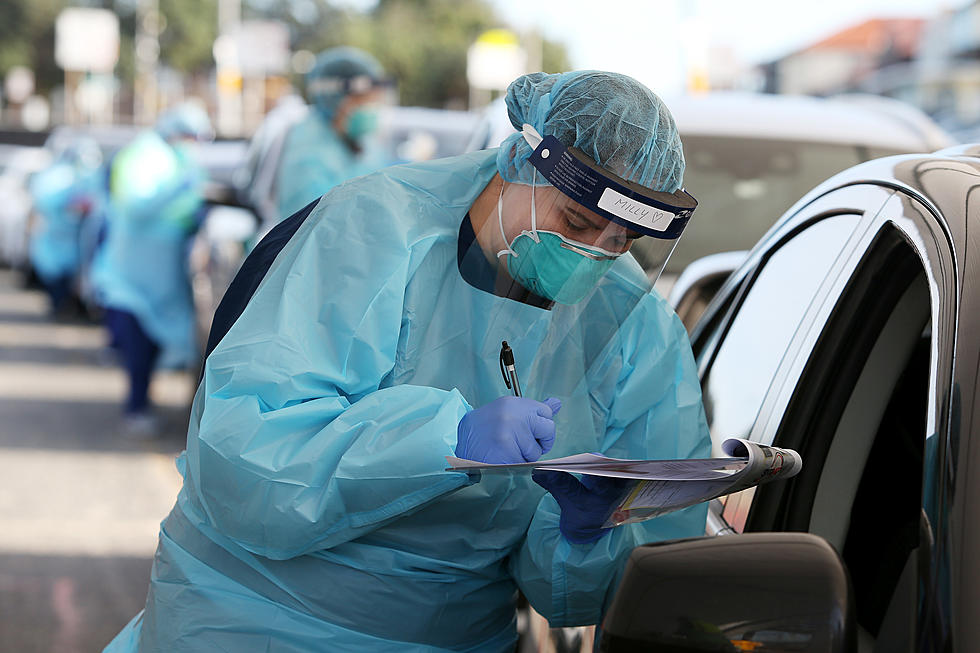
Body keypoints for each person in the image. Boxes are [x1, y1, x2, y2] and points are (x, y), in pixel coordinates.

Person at [105, 70, 711, 651]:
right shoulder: (373, 232)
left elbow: (624, 593)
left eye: (620, 241)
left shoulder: (631, 331)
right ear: (519, 162)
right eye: (576, 221)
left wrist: (585, 536)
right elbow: (246, 462)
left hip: (457, 638)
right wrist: (444, 439)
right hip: (252, 620)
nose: (593, 255)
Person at [92, 102, 212, 437]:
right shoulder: (142, 155)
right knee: (138, 341)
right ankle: (136, 406)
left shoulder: (177, 159)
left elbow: (188, 207)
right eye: (189, 135)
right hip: (132, 270)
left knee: (160, 340)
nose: (193, 143)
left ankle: (143, 403)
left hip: (163, 270)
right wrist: (179, 187)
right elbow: (136, 206)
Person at [275, 46, 393, 218]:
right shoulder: (308, 152)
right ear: (336, 100)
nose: (372, 109)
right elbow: (317, 226)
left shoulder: (358, 142)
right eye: (363, 101)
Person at [27, 137, 103, 317]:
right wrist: (66, 205)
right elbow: (44, 200)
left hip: (80, 237)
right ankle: (59, 305)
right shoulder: (57, 176)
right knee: (54, 272)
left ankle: (73, 306)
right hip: (56, 234)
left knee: (78, 276)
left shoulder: (90, 175)